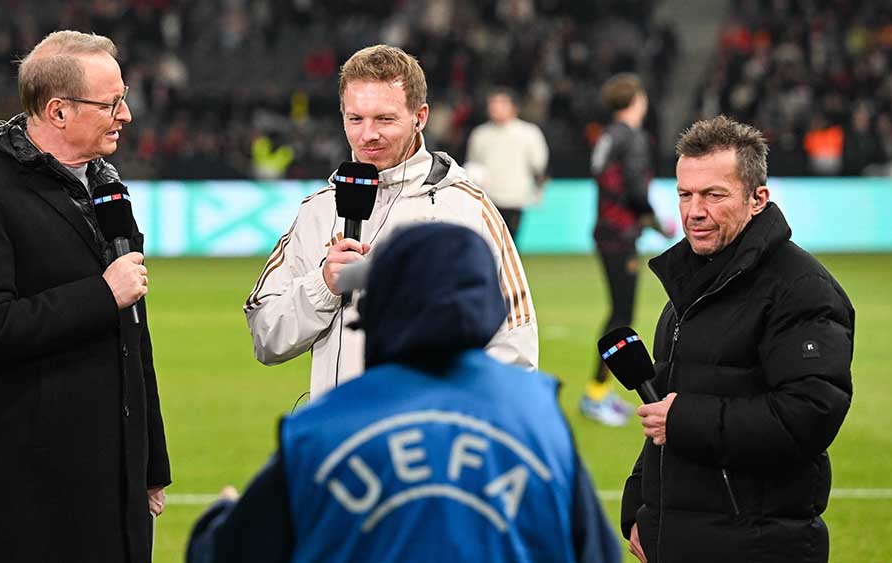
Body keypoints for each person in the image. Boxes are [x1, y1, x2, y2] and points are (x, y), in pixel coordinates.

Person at [191, 222, 620, 563]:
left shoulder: (320, 428)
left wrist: (218, 517)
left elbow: (221, 554)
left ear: (380, 308)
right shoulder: (541, 420)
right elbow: (598, 554)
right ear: (490, 305)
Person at [0, 31, 170, 563]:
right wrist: (100, 294)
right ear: (58, 111)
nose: (126, 114)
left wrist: (150, 461)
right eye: (111, 102)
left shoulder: (108, 191)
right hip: (32, 491)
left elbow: (135, 336)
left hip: (116, 481)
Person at [621, 116, 854, 563]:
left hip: (759, 545)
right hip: (681, 539)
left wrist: (685, 419)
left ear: (757, 199)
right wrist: (641, 508)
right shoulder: (688, 289)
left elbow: (810, 415)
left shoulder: (802, 289)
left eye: (714, 195)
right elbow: (664, 413)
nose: (694, 211)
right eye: (685, 194)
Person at [245, 45, 538, 399]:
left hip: (428, 444)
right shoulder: (318, 211)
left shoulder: (466, 208)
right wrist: (322, 286)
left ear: (421, 116)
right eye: (355, 119)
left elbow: (515, 346)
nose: (368, 134)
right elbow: (266, 337)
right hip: (343, 441)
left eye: (385, 119)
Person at [581, 73, 674, 427]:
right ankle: (594, 395)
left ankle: (600, 393)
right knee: (621, 316)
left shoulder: (607, 136)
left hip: (606, 229)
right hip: (620, 234)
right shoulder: (632, 138)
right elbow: (635, 189)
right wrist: (654, 220)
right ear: (636, 101)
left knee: (618, 312)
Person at [465, 87, 549, 238]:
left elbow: (539, 164)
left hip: (515, 197)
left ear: (513, 107)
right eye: (493, 103)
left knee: (510, 241)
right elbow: (472, 166)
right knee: (489, 241)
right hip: (488, 197)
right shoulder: (480, 134)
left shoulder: (529, 133)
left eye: (501, 103)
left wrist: (538, 190)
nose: (495, 107)